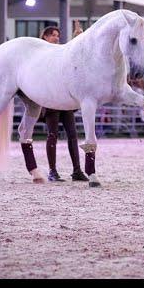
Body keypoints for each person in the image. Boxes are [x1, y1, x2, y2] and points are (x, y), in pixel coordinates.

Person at [39, 24, 89, 182]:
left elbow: (71, 54)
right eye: (53, 35)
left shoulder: (59, 52)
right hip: (51, 100)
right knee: (52, 136)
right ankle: (52, 171)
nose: (56, 37)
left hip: (64, 100)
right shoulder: (41, 53)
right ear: (45, 37)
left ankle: (77, 170)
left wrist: (77, 38)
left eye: (57, 35)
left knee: (73, 136)